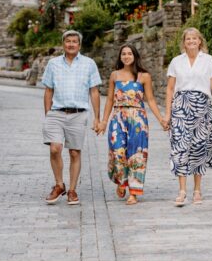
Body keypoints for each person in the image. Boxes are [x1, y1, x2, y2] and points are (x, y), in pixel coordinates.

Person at [97, 45, 165, 205]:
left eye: (129, 53)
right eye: (123, 54)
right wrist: (104, 121)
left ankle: (133, 192)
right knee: (117, 152)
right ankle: (121, 181)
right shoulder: (114, 75)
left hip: (138, 119)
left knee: (136, 154)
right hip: (118, 117)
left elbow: (151, 100)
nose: (126, 56)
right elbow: (109, 100)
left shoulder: (144, 76)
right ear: (120, 57)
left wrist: (161, 119)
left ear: (135, 56)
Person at [164, 27, 212, 207]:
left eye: (194, 38)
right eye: (188, 39)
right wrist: (167, 113)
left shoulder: (209, 60)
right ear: (184, 42)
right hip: (180, 107)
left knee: (199, 146)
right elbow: (170, 89)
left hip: (202, 107)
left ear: (200, 41)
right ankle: (182, 191)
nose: (191, 41)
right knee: (180, 147)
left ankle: (197, 190)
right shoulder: (176, 61)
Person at [41, 30, 101, 206]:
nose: (71, 44)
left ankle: (72, 190)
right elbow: (48, 90)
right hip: (56, 113)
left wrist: (97, 118)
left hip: (78, 114)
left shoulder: (89, 64)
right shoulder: (53, 64)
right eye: (68, 41)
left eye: (75, 41)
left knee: (74, 152)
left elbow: (94, 92)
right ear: (63, 44)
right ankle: (59, 185)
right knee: (55, 149)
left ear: (79, 45)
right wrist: (47, 114)